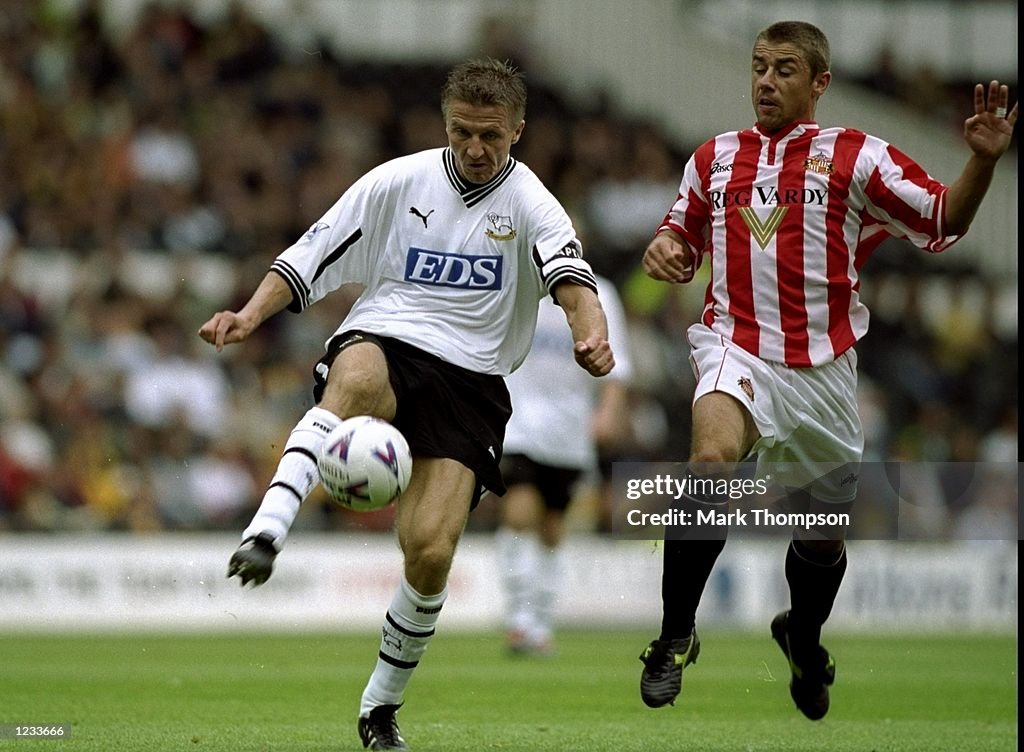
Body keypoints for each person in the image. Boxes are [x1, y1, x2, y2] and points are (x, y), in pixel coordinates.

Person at [198, 58, 615, 752]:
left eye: (491, 136)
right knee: (355, 377)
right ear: (444, 125)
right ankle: (268, 529)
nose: (476, 149)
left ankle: (379, 708)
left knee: (428, 552)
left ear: (518, 129)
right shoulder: (398, 181)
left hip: (473, 380)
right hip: (389, 335)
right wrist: (248, 315)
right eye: (462, 133)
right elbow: (311, 253)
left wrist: (590, 331)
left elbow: (572, 279)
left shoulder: (534, 204)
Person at [636, 20, 1016, 721]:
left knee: (819, 533)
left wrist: (983, 164)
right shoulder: (713, 158)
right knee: (710, 461)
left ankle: (802, 641)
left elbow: (940, 219)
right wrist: (664, 249)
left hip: (824, 370)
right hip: (735, 344)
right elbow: (679, 240)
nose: (765, 81)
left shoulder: (857, 156)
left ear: (820, 82)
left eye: (784, 69)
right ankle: (672, 637)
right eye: (758, 66)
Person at [496, 273, 632, 656]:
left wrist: (607, 412)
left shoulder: (601, 292)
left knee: (553, 526)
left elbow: (617, 367)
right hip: (518, 422)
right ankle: (518, 619)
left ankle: (539, 620)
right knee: (519, 512)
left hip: (570, 430)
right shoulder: (517, 283)